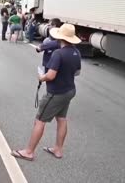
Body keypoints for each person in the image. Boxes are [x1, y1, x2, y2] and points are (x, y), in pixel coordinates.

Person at [11, 24, 81, 161]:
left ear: (60, 37)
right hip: (69, 90)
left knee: (40, 120)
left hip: (56, 92)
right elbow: (77, 72)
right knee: (61, 119)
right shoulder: (76, 52)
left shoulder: (58, 53)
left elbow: (50, 76)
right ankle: (58, 149)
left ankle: (29, 151)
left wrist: (41, 77)